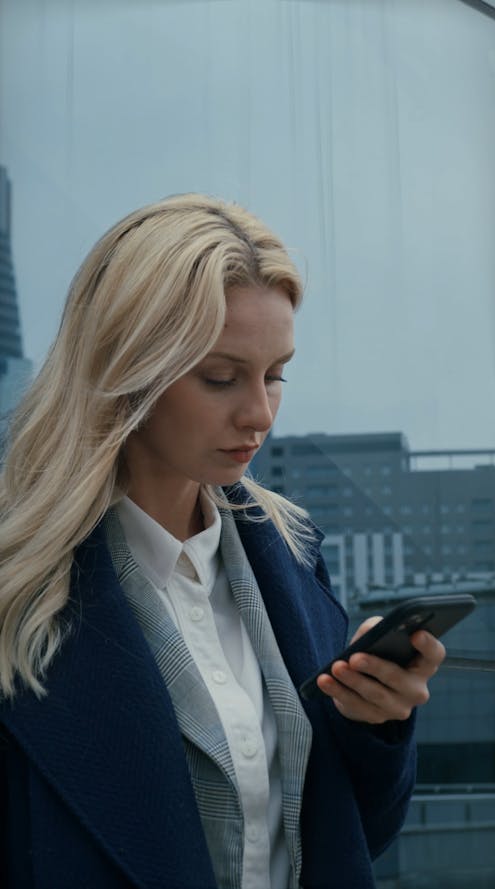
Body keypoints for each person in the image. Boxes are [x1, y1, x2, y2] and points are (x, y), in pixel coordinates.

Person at [0, 194, 445, 889]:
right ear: (126, 369)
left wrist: (376, 725)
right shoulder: (18, 590)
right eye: (221, 377)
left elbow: (354, 838)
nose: (260, 413)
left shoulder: (294, 559)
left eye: (276, 375)